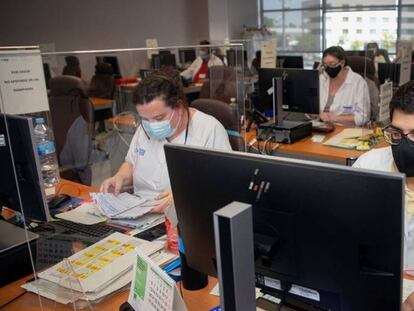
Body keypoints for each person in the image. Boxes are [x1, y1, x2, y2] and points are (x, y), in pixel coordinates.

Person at [100, 69, 231, 223]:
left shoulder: (209, 130)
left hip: (186, 219)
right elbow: (131, 163)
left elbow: (224, 184)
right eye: (145, 119)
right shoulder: (144, 129)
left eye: (159, 117)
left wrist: (185, 195)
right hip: (140, 214)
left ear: (179, 107)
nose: (151, 125)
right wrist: (119, 178)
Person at [319, 46, 370, 126]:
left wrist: (334, 118)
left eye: (332, 64)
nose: (328, 68)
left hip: (345, 131)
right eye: (325, 65)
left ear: (342, 63)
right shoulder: (321, 79)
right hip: (320, 128)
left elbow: (363, 117)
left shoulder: (358, 82)